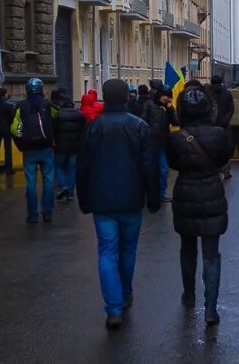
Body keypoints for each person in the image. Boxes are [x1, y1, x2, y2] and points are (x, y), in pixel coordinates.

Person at [77, 79, 160, 330]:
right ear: (127, 98)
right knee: (128, 250)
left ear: (104, 97)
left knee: (106, 253)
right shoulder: (139, 127)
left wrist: (84, 199)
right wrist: (153, 197)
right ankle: (125, 294)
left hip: (102, 201)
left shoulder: (93, 127)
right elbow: (149, 166)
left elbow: (83, 168)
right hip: (132, 199)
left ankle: (113, 310)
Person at [167, 89, 230, 325]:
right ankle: (211, 309)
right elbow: (224, 159)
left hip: (185, 193)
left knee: (187, 248)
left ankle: (189, 295)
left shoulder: (176, 137)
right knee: (212, 253)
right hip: (212, 191)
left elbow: (173, 162)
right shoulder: (219, 134)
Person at [11, 78, 58, 224]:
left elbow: (14, 128)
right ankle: (47, 213)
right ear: (41, 89)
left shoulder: (21, 106)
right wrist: (53, 139)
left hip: (29, 149)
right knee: (48, 180)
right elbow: (57, 121)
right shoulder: (49, 105)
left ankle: (32, 215)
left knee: (30, 182)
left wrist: (21, 145)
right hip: (46, 147)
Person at [141, 86, 178, 202]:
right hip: (149, 143)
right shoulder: (149, 105)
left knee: (163, 169)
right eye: (165, 96)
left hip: (162, 143)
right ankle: (148, 193)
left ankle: (161, 193)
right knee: (149, 169)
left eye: (169, 97)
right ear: (160, 95)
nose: (167, 99)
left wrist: (171, 109)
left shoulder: (167, 108)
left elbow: (176, 122)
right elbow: (142, 121)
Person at [54, 95, 85, 202]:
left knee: (59, 166)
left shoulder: (58, 115)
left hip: (61, 146)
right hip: (75, 146)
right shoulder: (80, 115)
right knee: (73, 168)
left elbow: (54, 130)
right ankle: (71, 193)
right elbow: (83, 131)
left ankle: (63, 186)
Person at [209, 76, 235, 179]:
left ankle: (214, 169)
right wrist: (225, 121)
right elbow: (231, 110)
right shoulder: (227, 93)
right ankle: (226, 171)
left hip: (211, 125)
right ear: (221, 82)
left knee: (212, 148)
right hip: (224, 126)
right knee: (225, 148)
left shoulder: (208, 94)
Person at [0, 87, 15, 174]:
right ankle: (8, 168)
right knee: (8, 148)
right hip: (7, 128)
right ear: (5, 94)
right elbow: (12, 118)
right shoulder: (9, 105)